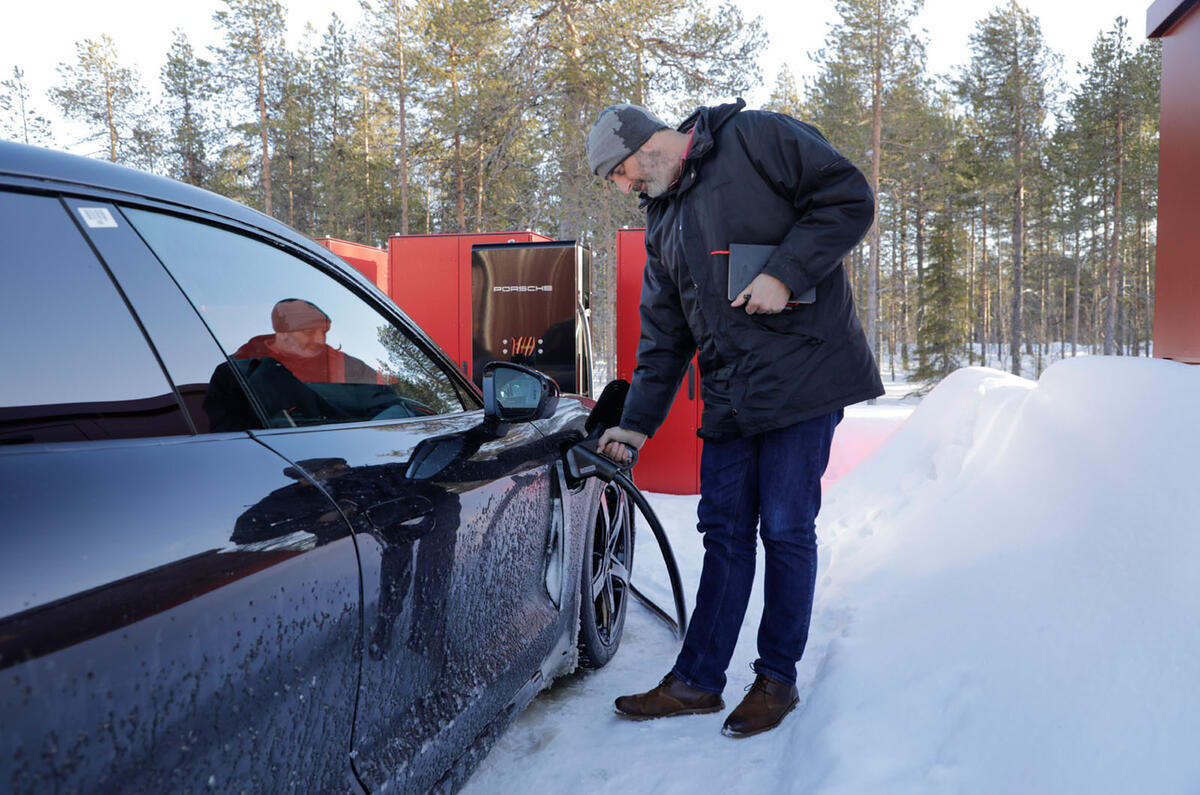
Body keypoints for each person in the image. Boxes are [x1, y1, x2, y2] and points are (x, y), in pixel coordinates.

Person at [586, 100, 883, 737]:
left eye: (622, 173)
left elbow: (848, 196)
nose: (626, 187)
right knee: (723, 535)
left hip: (803, 379)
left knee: (783, 529)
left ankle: (777, 678)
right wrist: (634, 424)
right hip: (730, 394)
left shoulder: (755, 137)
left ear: (645, 143)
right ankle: (697, 681)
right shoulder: (663, 220)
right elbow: (664, 338)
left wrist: (784, 270)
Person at [232, 298, 379, 385]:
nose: (321, 340)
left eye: (324, 332)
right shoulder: (239, 368)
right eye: (309, 332)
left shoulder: (347, 366)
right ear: (282, 332)